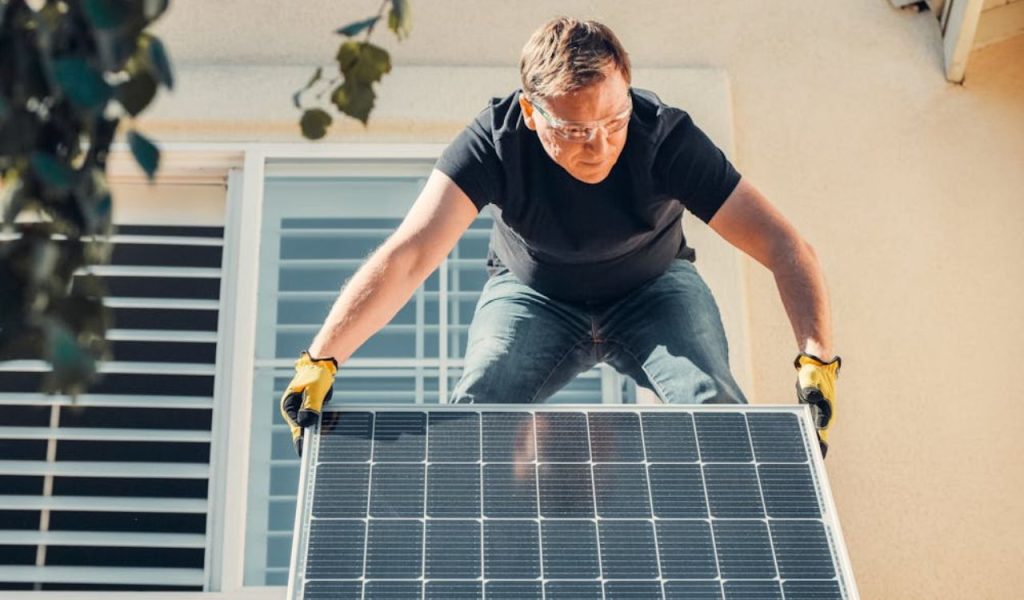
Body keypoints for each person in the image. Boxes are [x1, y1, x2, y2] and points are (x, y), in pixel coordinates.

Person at [280, 17, 841, 458]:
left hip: (655, 291)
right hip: (532, 296)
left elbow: (783, 245)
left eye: (614, 121)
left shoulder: (667, 138)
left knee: (713, 406)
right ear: (530, 111)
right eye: (574, 130)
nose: (598, 145)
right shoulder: (496, 142)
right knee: (477, 416)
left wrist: (816, 361)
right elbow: (410, 256)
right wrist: (321, 361)